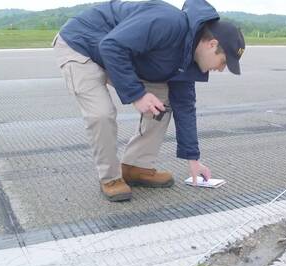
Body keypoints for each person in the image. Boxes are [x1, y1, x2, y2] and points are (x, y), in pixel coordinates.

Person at [53, 0, 245, 201]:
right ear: (212, 44)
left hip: (115, 53)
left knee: (163, 103)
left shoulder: (189, 59)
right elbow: (111, 46)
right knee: (102, 113)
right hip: (81, 44)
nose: (221, 69)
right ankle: (110, 178)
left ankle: (135, 166)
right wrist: (137, 94)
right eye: (223, 62)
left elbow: (185, 107)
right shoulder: (167, 22)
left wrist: (193, 159)